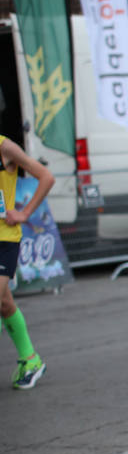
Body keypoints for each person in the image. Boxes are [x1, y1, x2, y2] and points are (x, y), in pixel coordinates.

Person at [1, 135, 54, 389]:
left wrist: (24, 213)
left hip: (4, 239)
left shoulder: (4, 147)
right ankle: (30, 360)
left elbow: (46, 177)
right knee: (4, 302)